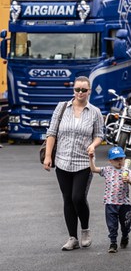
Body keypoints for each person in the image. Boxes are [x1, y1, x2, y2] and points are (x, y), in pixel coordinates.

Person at [43, 76, 104, 251]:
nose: (80, 92)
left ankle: (85, 229)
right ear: (73, 89)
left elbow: (100, 134)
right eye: (77, 89)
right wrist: (48, 156)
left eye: (84, 90)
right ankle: (73, 238)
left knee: (78, 197)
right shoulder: (62, 107)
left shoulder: (95, 112)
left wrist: (93, 145)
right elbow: (52, 133)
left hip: (84, 162)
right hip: (62, 161)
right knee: (67, 199)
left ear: (89, 91)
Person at [89, 146, 131, 253]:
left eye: (121, 159)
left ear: (124, 159)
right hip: (110, 202)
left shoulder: (127, 171)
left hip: (124, 203)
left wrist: (128, 180)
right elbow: (93, 169)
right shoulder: (107, 170)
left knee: (126, 223)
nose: (119, 161)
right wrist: (90, 159)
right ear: (110, 161)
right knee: (112, 224)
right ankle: (113, 242)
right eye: (116, 159)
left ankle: (125, 235)